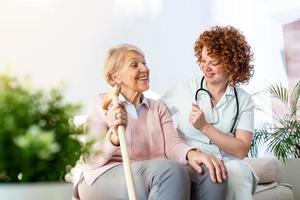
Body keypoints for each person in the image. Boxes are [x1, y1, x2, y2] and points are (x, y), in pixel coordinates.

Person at [74, 44, 227, 200]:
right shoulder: (102, 104)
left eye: (144, 63)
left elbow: (173, 146)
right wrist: (114, 136)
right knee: (170, 171)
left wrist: (191, 153)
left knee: (212, 171)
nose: (144, 69)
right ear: (115, 77)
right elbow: (91, 159)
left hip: (153, 172)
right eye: (134, 65)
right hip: (105, 177)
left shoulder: (157, 107)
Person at [161, 26, 258, 200]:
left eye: (214, 63)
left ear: (231, 64)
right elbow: (155, 113)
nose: (206, 67)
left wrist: (205, 127)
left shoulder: (243, 100)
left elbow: (242, 149)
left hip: (230, 162)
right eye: (203, 60)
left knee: (237, 173)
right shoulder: (183, 89)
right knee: (214, 174)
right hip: (194, 160)